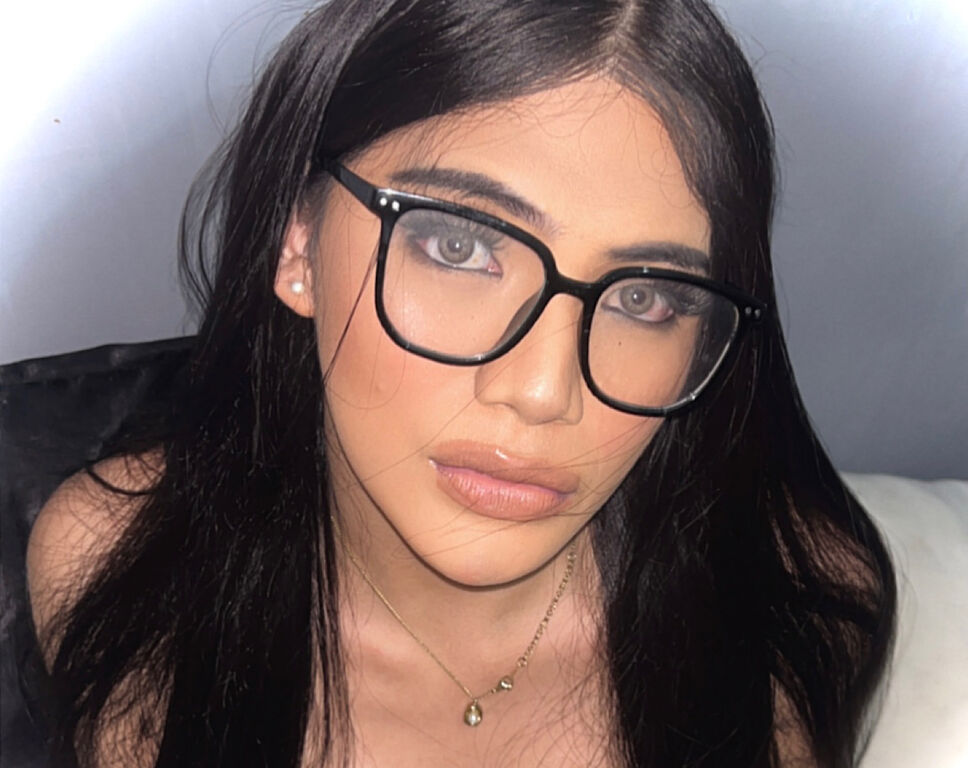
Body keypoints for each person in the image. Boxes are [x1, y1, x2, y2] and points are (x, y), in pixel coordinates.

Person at [25, 0, 897, 766]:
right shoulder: (123, 568)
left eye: (644, 297)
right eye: (459, 246)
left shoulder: (801, 607)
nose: (544, 391)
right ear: (299, 245)